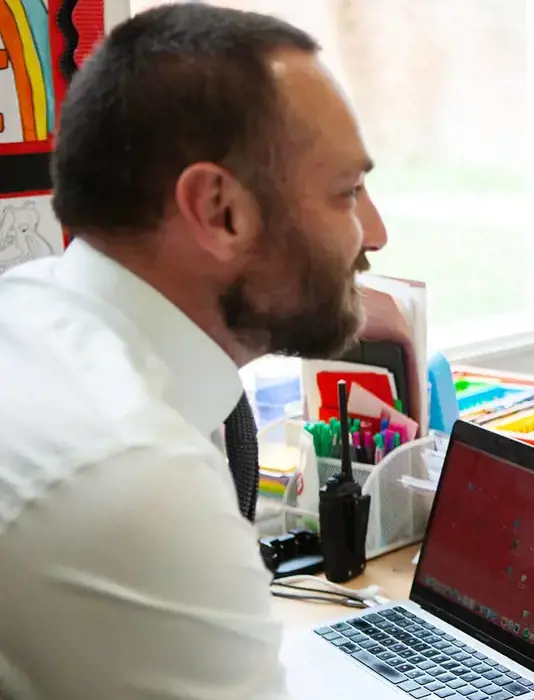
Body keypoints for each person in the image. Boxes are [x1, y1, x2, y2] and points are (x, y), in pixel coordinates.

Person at [0, 4, 387, 699]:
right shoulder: (134, 473)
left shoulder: (29, 308)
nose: (376, 234)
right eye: (347, 193)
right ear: (219, 211)